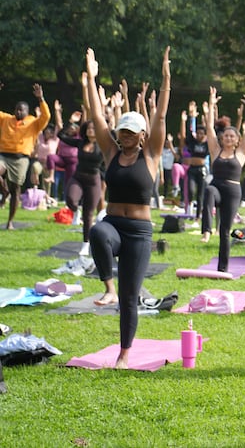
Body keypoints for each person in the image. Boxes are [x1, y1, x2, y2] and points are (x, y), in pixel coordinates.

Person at [86, 46, 171, 369]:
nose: (125, 136)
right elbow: (96, 115)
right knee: (97, 231)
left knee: (129, 298)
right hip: (113, 225)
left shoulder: (149, 156)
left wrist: (165, 78)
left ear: (142, 135)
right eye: (122, 131)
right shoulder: (111, 152)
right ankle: (107, 285)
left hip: (138, 232)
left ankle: (124, 353)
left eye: (131, 132)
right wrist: (92, 80)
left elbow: (161, 115)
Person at [200, 87, 245, 272]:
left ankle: (222, 268)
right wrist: (212, 104)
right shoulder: (216, 150)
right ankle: (206, 230)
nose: (228, 138)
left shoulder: (241, 153)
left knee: (225, 231)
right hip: (216, 187)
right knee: (208, 190)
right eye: (226, 136)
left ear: (237, 140)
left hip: (232, 192)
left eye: (232, 136)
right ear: (222, 138)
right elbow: (209, 129)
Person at [0, 84, 51, 229]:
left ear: (27, 112)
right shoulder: (6, 119)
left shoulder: (33, 123)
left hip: (21, 158)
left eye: (21, 109)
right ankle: (4, 192)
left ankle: (10, 221)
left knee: (16, 189)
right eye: (16, 109)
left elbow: (46, 116)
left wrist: (40, 98)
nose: (18, 111)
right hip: (3, 155)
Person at [58, 112, 104, 256]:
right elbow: (61, 135)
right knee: (70, 199)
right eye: (89, 128)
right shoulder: (80, 142)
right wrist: (71, 122)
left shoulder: (103, 144)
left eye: (94, 128)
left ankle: (85, 244)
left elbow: (113, 134)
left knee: (89, 214)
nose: (91, 130)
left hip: (93, 181)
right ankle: (75, 211)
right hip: (78, 177)